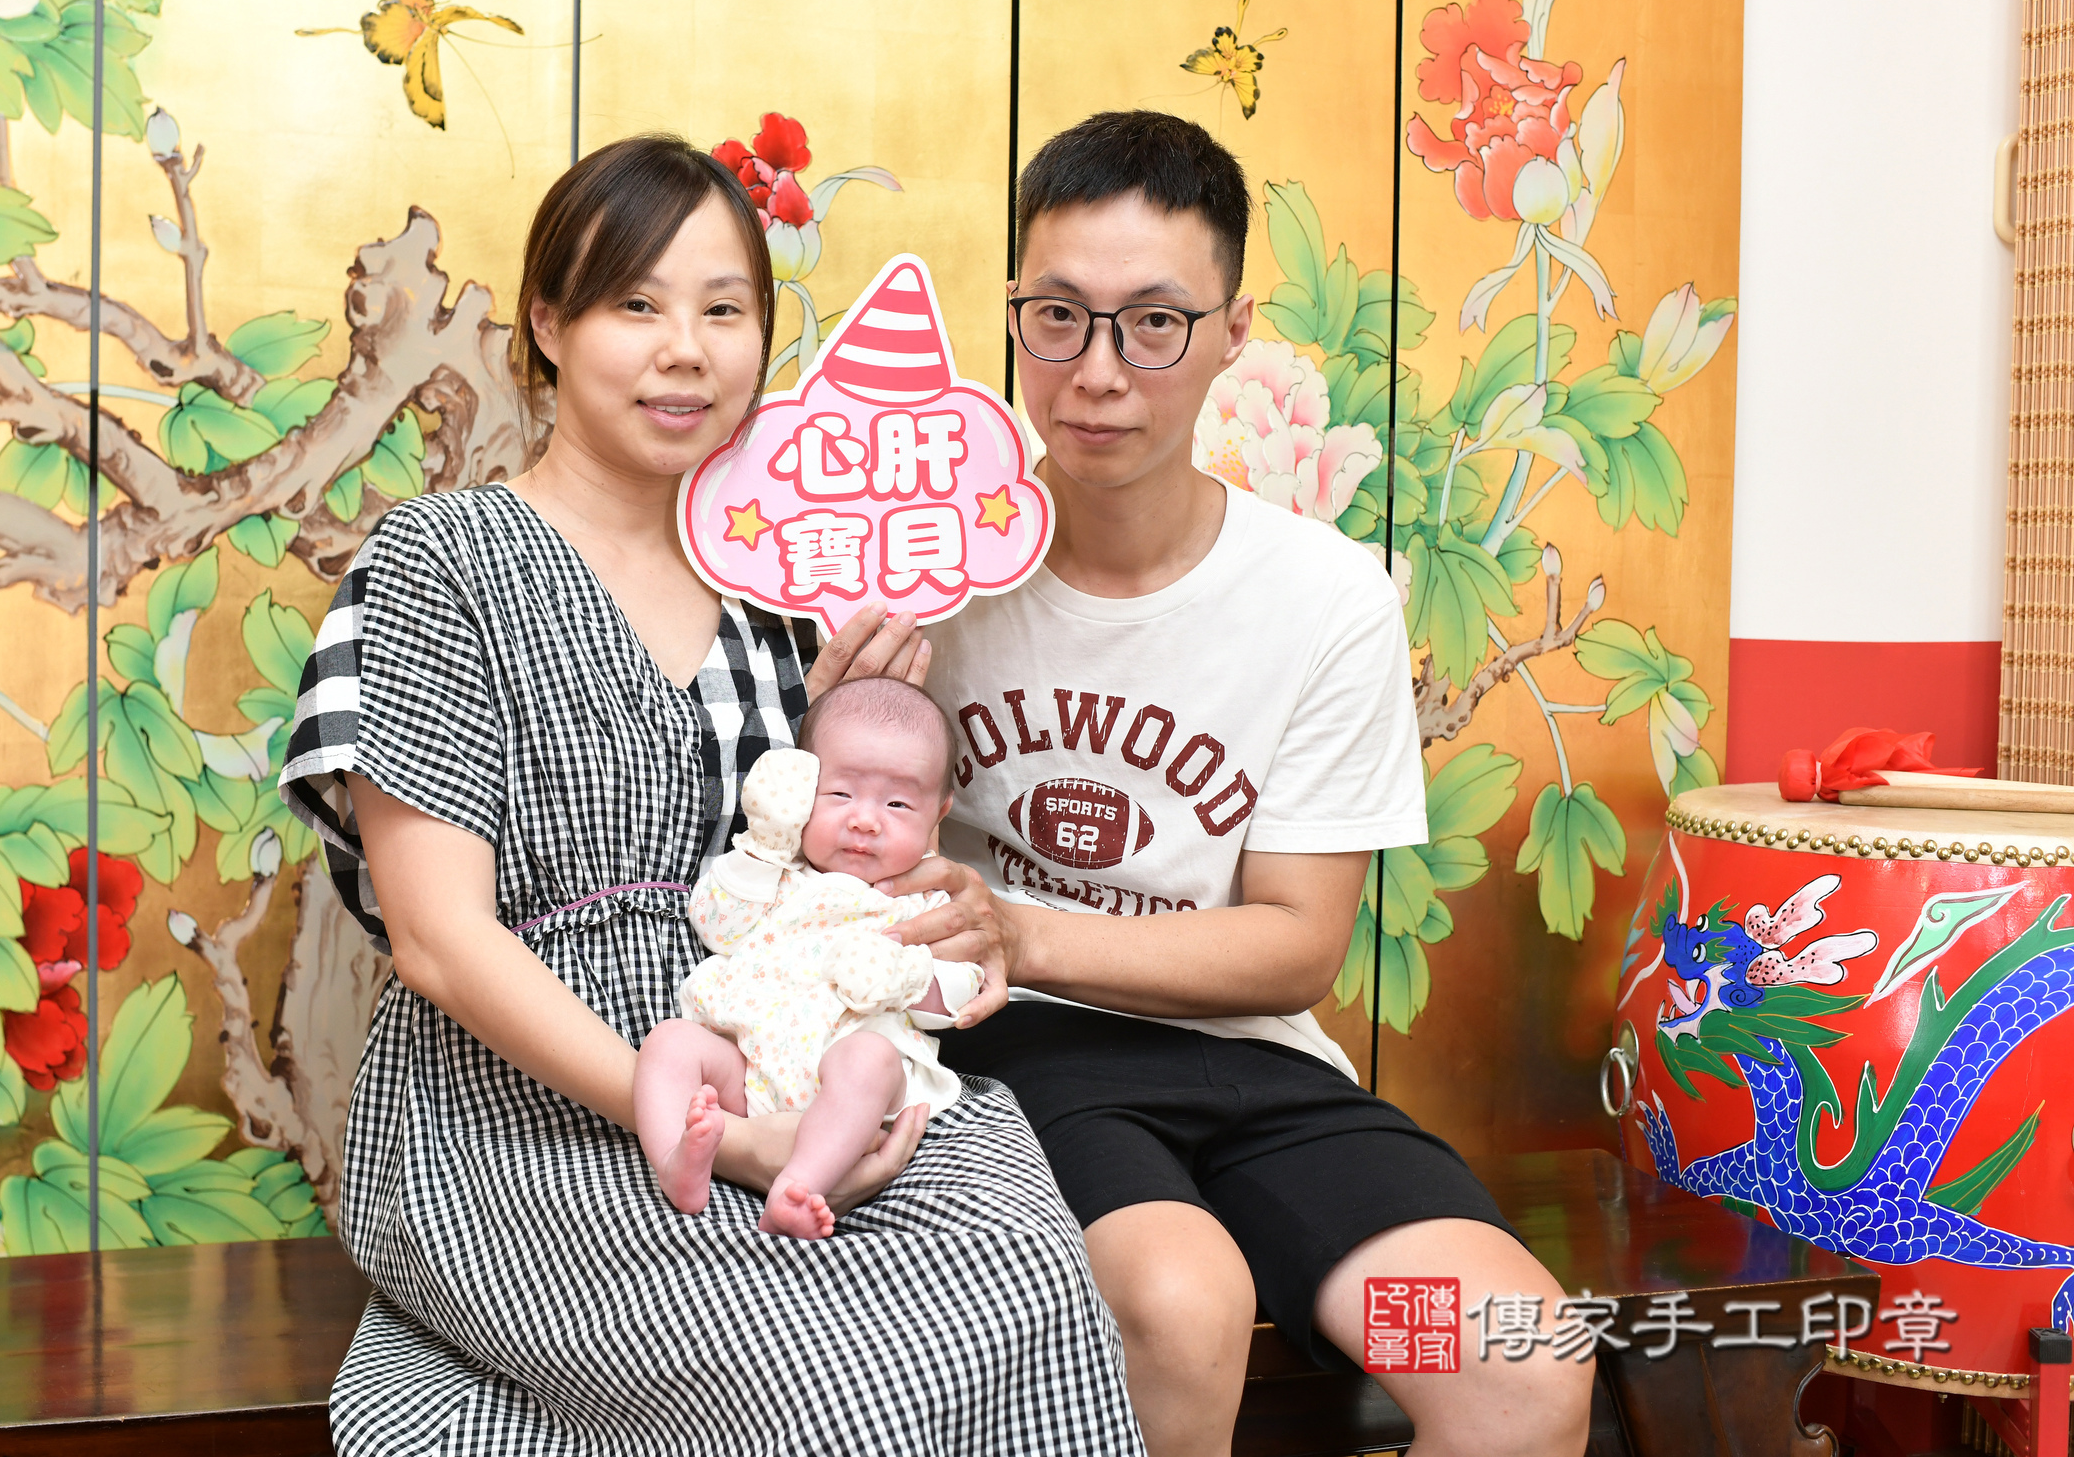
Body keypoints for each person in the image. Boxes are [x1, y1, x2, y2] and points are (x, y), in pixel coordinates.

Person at [277, 134, 1143, 1455]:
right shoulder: (441, 560)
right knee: (827, 1382)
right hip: (519, 1109)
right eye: (637, 303)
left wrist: (855, 736)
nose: (685, 351)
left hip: (787, 1051)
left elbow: (824, 875)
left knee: (1024, 1276)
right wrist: (713, 1133)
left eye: (725, 310)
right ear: (550, 323)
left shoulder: (784, 591)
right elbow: (441, 943)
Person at [855, 112, 1595, 1457]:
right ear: (1013, 314)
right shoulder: (923, 573)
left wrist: (1021, 927)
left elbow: (1297, 946)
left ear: (1232, 332)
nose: (1097, 373)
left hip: (1259, 1077)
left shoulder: (1326, 598)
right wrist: (832, 709)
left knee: (1515, 1362)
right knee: (1181, 1305)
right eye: (1057, 318)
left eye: (1154, 324)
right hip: (1019, 1057)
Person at [637, 677, 985, 1239]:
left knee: (869, 1060)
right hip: (748, 1065)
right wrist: (764, 845)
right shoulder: (778, 872)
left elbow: (963, 992)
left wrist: (904, 977)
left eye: (898, 804)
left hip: (849, 1083)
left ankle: (798, 1186)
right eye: (840, 794)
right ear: (805, 791)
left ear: (938, 813)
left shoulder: (926, 901)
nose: (865, 820)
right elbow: (716, 925)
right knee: (668, 1043)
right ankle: (675, 1161)